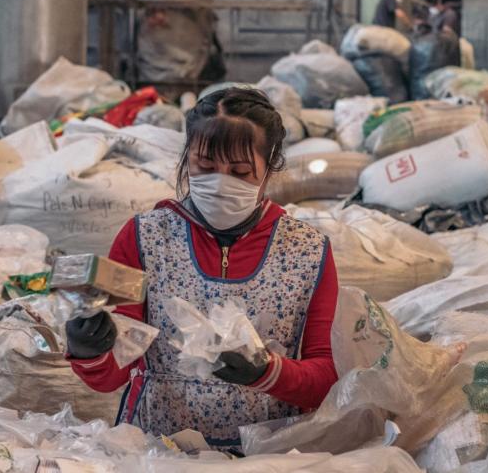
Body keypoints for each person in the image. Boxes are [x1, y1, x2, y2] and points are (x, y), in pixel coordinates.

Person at [66, 87, 340, 450]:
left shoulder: (307, 251)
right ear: (186, 158)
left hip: (266, 453)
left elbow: (328, 376)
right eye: (205, 166)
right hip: (156, 449)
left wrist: (267, 372)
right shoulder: (145, 237)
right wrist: (90, 348)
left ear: (269, 168)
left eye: (240, 171)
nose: (221, 182)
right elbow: (110, 375)